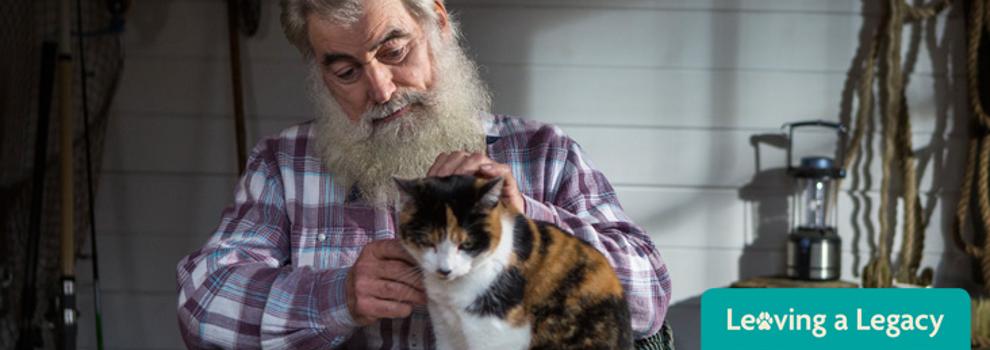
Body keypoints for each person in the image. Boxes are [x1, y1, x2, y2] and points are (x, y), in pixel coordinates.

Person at [176, 0, 672, 348]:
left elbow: (649, 299)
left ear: (437, 22)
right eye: (346, 72)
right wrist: (337, 296)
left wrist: (529, 228)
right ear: (318, 75)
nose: (382, 89)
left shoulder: (544, 154)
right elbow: (203, 308)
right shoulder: (283, 166)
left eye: (394, 51)